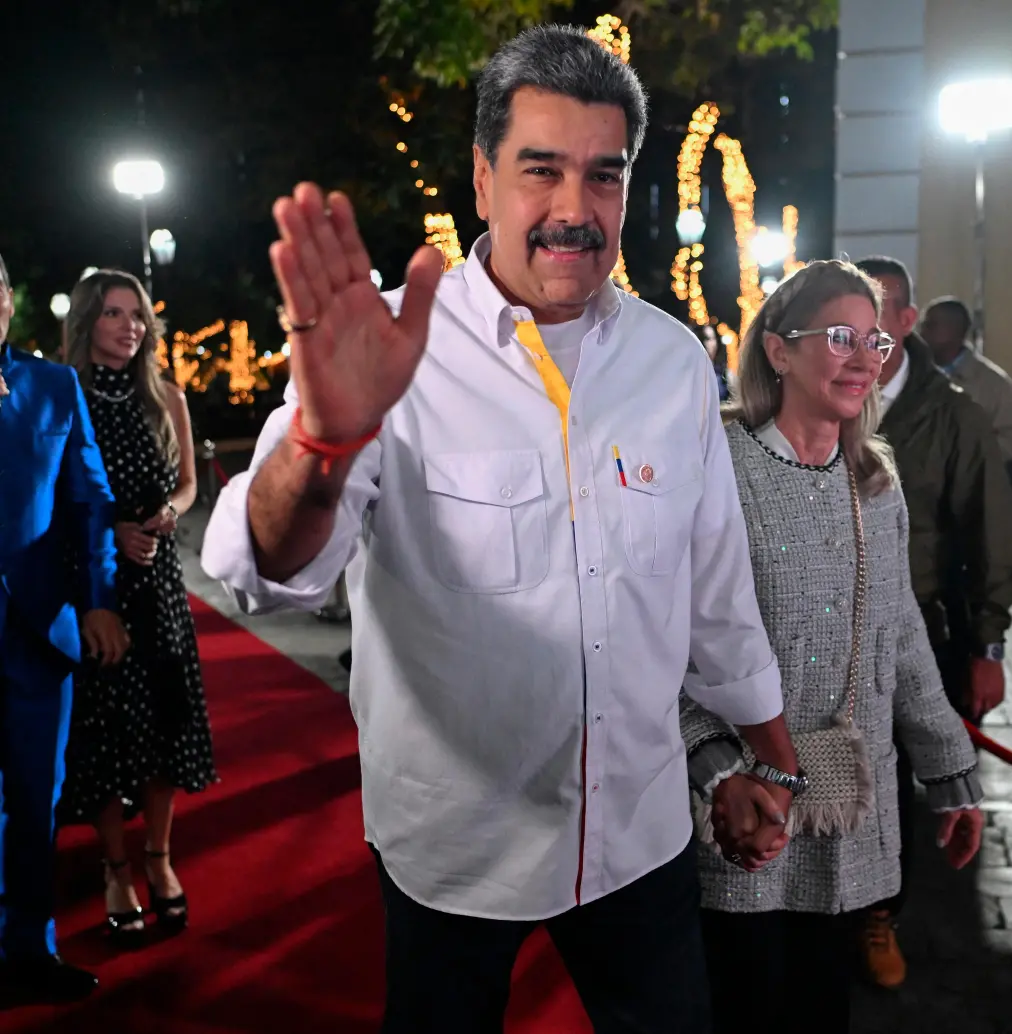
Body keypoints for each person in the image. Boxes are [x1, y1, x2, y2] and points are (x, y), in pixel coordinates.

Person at [203, 25, 799, 1032]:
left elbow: (712, 588)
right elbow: (266, 574)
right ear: (481, 179)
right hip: (454, 851)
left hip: (639, 834)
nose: (575, 210)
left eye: (602, 177)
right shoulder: (386, 348)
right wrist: (321, 441)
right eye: (540, 171)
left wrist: (769, 763)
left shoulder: (668, 359)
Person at [680, 260, 985, 1034]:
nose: (864, 357)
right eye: (841, 336)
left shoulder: (873, 477)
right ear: (780, 351)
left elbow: (900, 633)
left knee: (821, 1006)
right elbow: (671, 637)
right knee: (742, 1001)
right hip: (745, 803)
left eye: (874, 339)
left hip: (849, 799)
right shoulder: (722, 467)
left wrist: (952, 770)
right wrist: (713, 766)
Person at [853, 257, 1012, 987]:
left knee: (889, 785)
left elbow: (992, 537)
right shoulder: (813, 392)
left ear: (906, 321)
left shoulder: (953, 413)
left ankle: (878, 916)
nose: (865, 326)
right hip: (815, 626)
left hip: (912, 626)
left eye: (881, 309)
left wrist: (987, 643)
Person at [58, 270, 216, 939]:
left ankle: (158, 855)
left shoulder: (165, 397)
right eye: (114, 313)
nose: (130, 326)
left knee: (164, 725)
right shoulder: (64, 398)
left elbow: (185, 487)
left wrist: (167, 517)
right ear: (89, 321)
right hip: (93, 586)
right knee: (104, 730)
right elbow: (57, 501)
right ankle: (114, 867)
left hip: (159, 585)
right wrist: (108, 534)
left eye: (138, 315)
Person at [0, 251, 129, 1003]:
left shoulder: (54, 385)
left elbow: (89, 503)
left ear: (10, 302)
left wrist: (100, 600)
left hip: (38, 631)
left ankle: (29, 952)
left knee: (35, 799)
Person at [920, 296, 1012, 463]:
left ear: (954, 330)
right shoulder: (915, 374)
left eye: (930, 325)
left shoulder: (993, 383)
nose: (921, 333)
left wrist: (966, 457)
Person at [700, 323, 729, 401]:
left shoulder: (723, 371)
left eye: (713, 338)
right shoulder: (696, 372)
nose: (710, 344)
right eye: (707, 339)